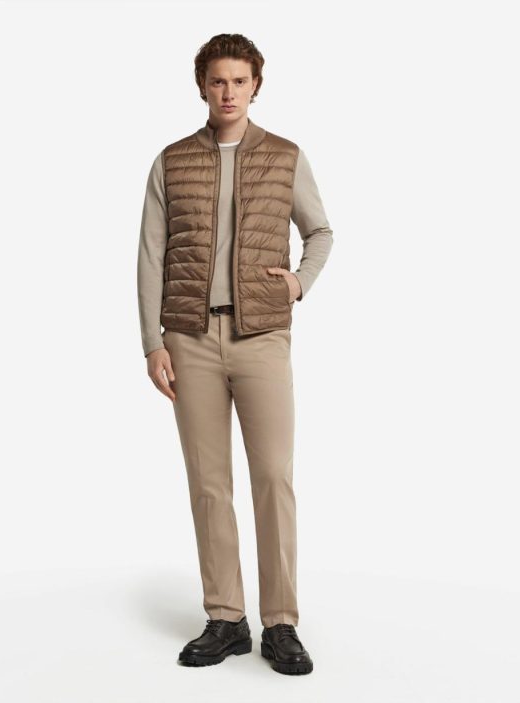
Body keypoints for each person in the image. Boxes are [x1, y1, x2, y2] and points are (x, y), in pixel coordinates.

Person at [137, 33, 333, 675]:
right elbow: (151, 254)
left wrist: (300, 281)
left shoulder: (284, 156)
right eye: (218, 81)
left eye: (239, 81)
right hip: (189, 340)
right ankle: (226, 617)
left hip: (262, 339)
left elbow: (320, 230)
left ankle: (281, 623)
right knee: (208, 482)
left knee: (273, 475)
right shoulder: (171, 161)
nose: (228, 92)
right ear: (202, 85)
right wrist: (153, 342)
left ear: (256, 86)